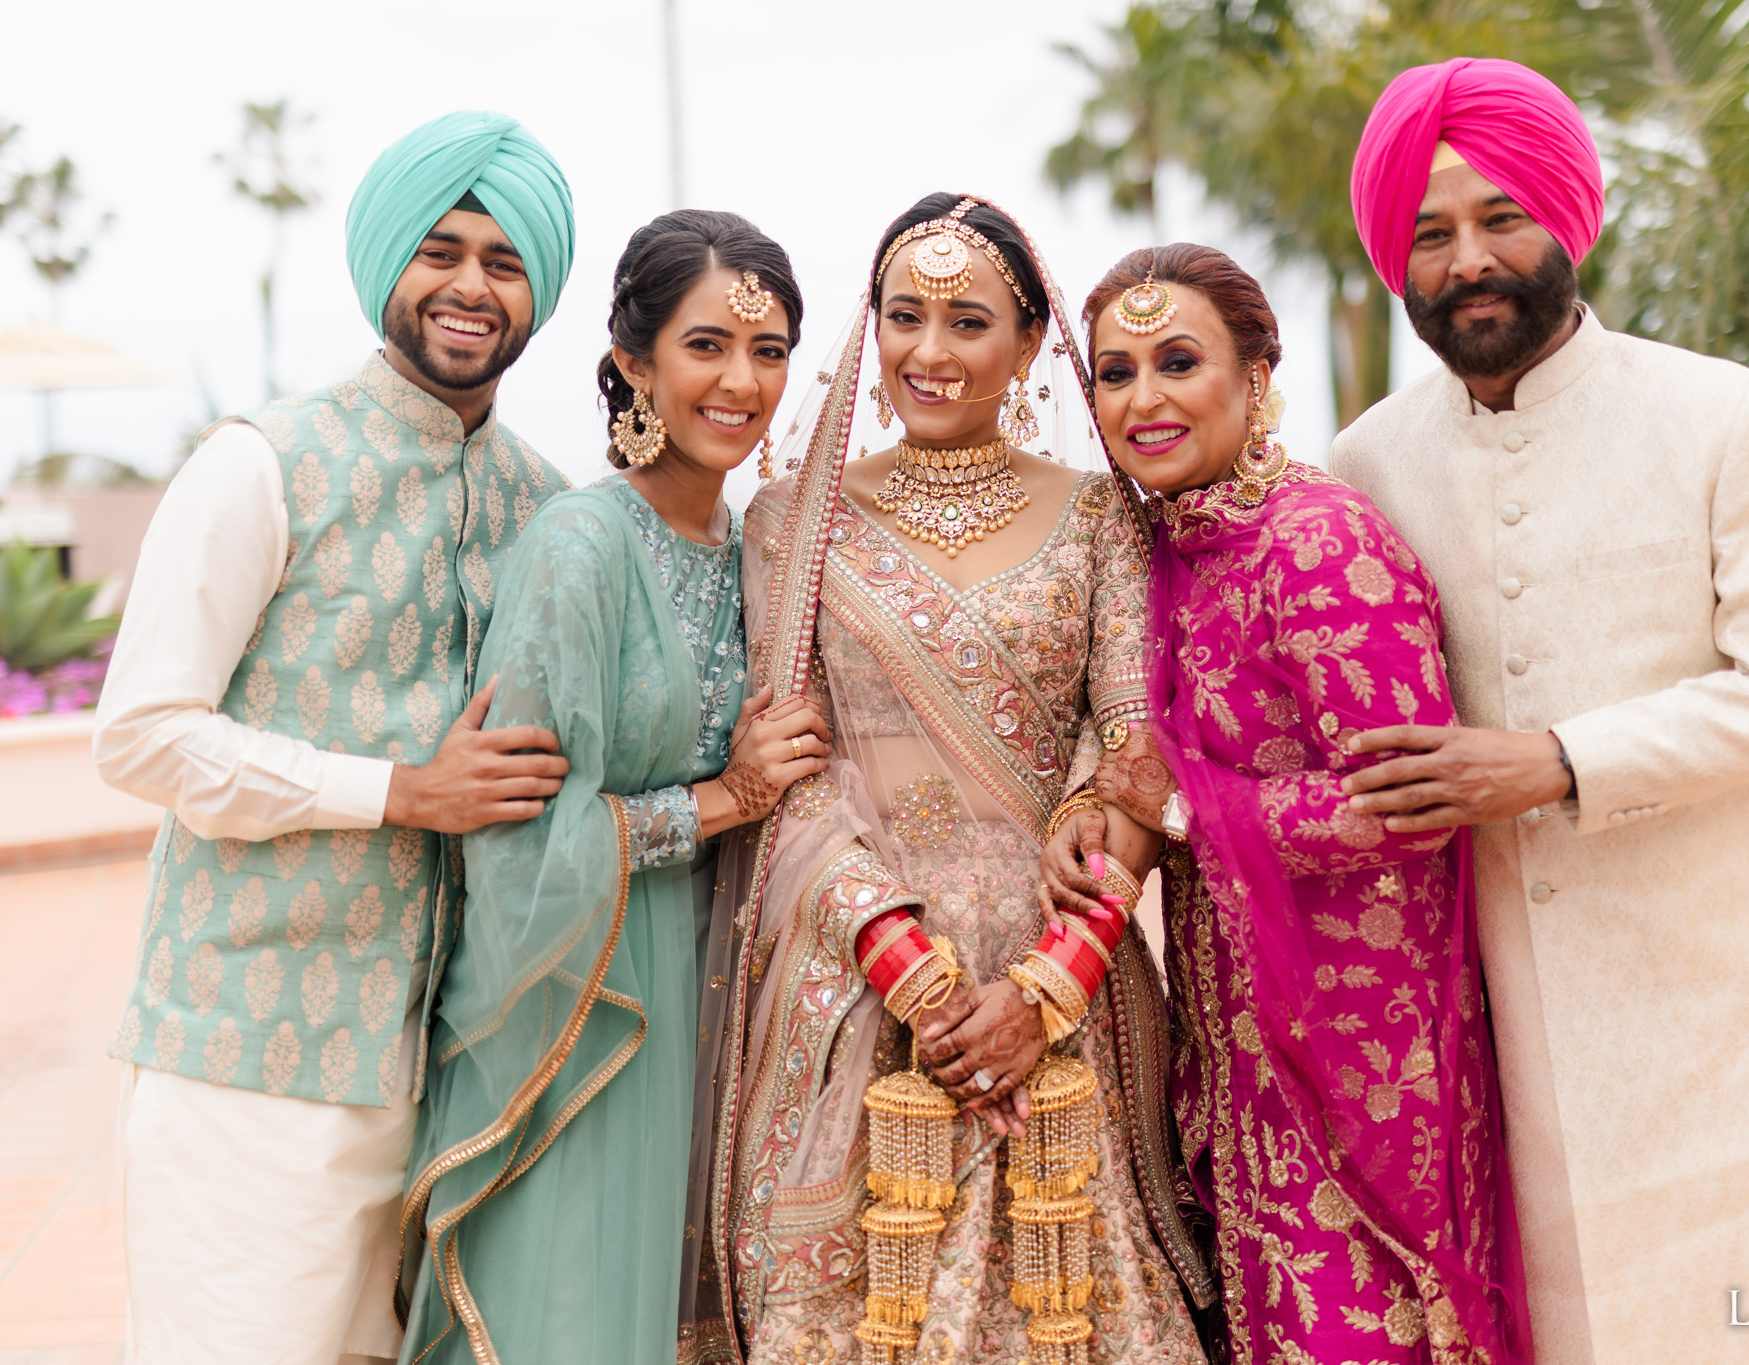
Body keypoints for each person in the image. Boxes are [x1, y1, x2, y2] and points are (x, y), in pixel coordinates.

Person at [1330, 58, 1749, 1364]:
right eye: (1429, 233)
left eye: (1499, 219)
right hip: (1501, 1018)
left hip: (1714, 992)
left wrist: (1558, 761)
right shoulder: (1366, 460)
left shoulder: (1714, 413)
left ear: (1567, 221)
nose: (1469, 260)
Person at [687, 193, 1214, 1365]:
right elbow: (793, 767)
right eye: (901, 316)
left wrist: (1046, 989)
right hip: (864, 979)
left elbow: (1131, 754)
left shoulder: (1095, 519)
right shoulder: (794, 521)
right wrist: (908, 971)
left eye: (967, 321)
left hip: (1056, 979)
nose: (928, 352)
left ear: (1028, 345)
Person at [95, 111, 576, 1364]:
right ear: (387, 270)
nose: (471, 285)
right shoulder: (263, 463)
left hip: (451, 1077)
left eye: (505, 260)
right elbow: (142, 737)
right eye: (440, 250)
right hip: (249, 1061)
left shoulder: (547, 505)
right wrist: (399, 792)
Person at [1062, 243, 1529, 1365]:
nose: (1144, 399)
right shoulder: (1176, 542)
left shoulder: (1315, 542)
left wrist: (1186, 813)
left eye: (1178, 361)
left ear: (1256, 376)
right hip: (1245, 1032)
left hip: (1362, 1051)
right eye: (1114, 375)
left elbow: (1407, 803)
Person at [396, 210, 825, 1365]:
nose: (740, 381)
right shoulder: (577, 549)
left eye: (769, 350)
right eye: (706, 346)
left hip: (712, 999)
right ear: (634, 361)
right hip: (583, 1012)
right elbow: (522, 843)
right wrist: (723, 801)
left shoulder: (758, 553)